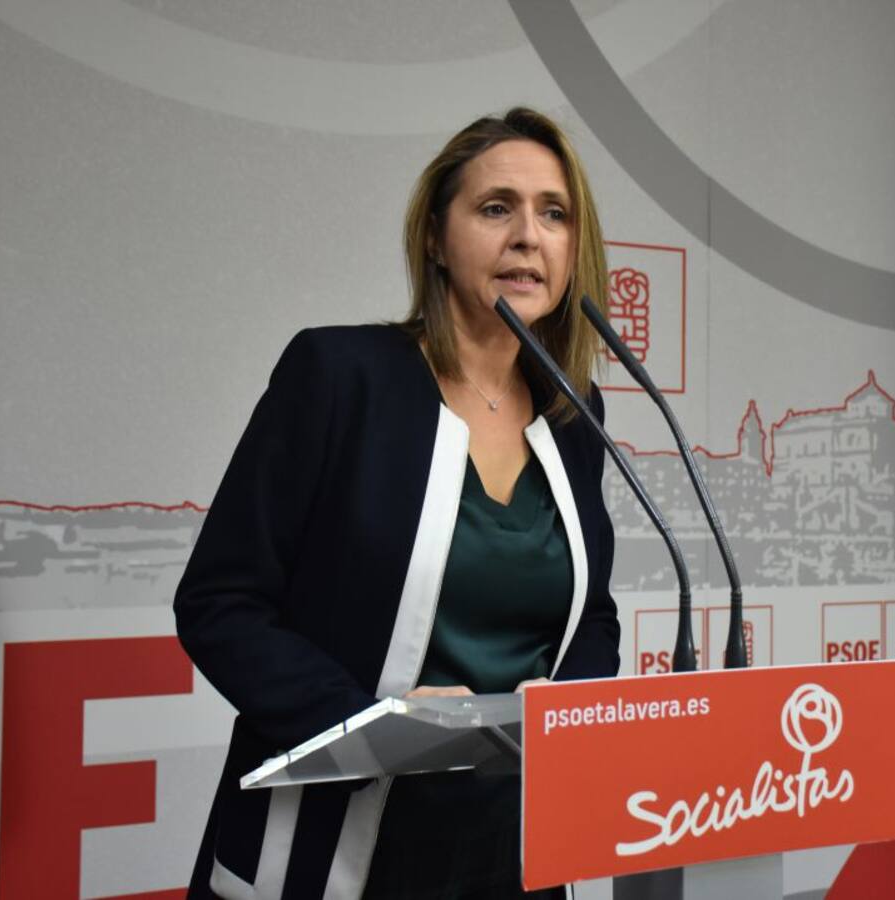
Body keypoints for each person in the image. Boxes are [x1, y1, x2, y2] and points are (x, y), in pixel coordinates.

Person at [175, 107, 620, 900]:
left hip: (510, 847)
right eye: (496, 208)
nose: (528, 236)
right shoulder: (340, 376)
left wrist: (566, 714)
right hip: (335, 846)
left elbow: (592, 616)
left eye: (554, 213)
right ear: (436, 240)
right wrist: (372, 726)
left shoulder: (573, 411)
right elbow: (221, 603)